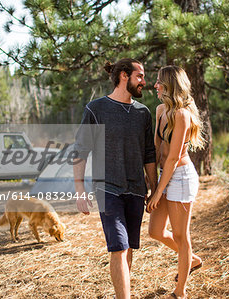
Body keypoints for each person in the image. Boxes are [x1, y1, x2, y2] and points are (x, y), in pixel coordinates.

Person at [73, 58, 158, 299]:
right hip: (107, 189)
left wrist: (153, 188)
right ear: (124, 75)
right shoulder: (96, 109)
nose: (144, 81)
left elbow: (149, 154)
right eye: (139, 76)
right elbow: (80, 151)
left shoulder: (143, 113)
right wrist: (80, 190)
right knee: (119, 247)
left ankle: (123, 293)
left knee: (128, 247)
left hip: (135, 190)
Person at [146, 65, 204, 299]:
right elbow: (157, 148)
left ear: (170, 85)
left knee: (181, 236)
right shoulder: (161, 110)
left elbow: (172, 158)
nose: (155, 86)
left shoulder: (182, 115)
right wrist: (153, 184)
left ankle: (180, 292)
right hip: (165, 176)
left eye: (159, 82)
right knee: (155, 231)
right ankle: (192, 259)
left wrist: (158, 192)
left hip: (180, 178)